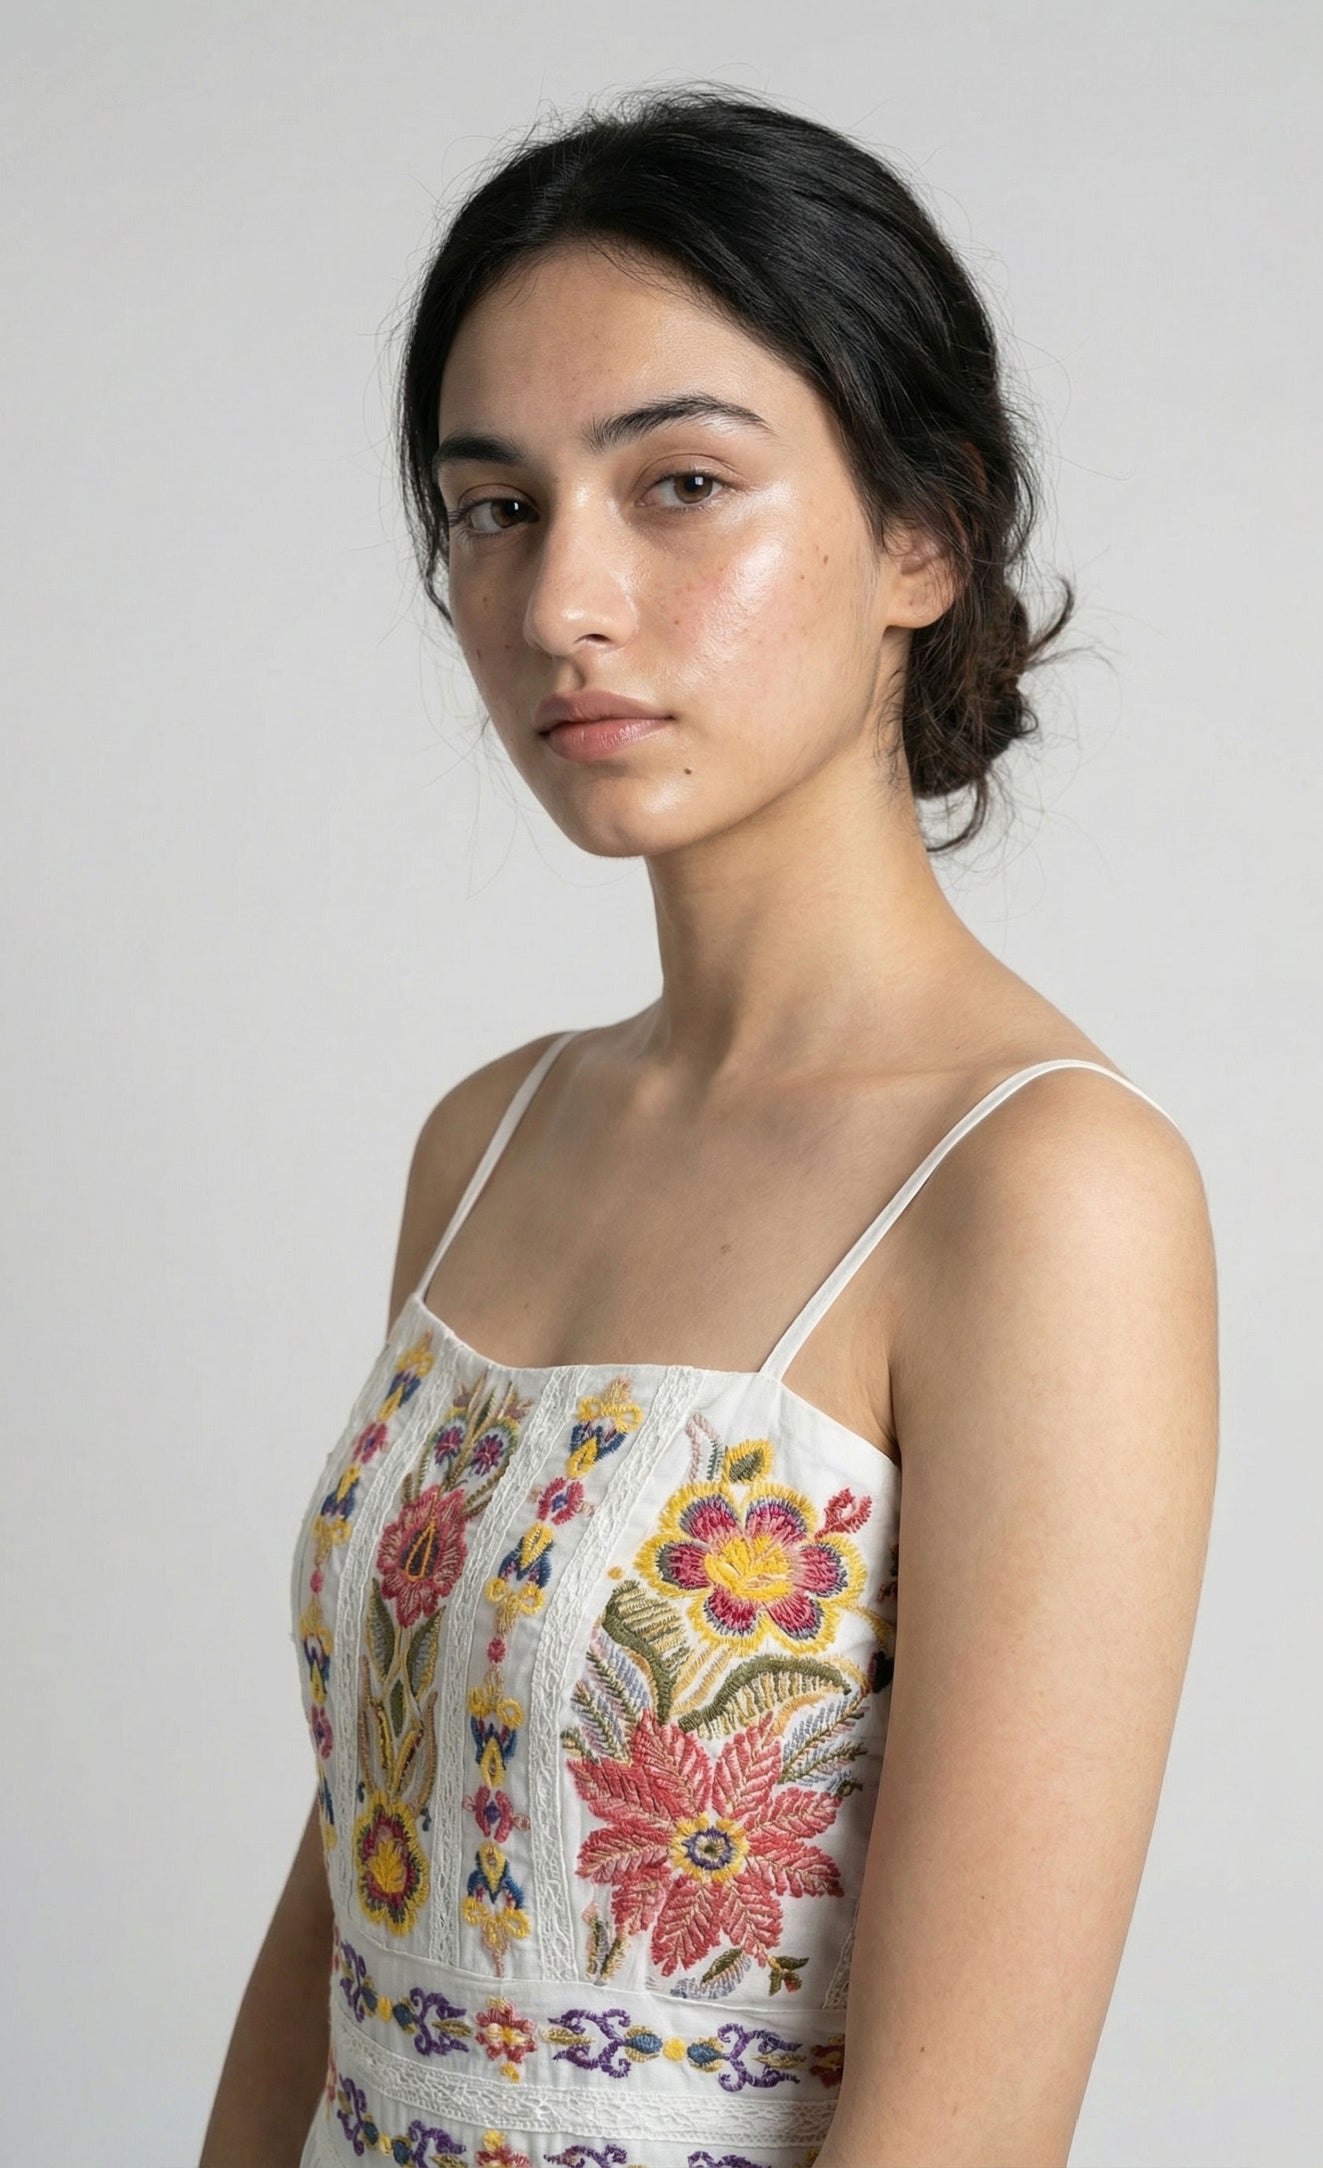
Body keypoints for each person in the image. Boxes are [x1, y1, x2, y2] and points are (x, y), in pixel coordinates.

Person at [200, 86, 1218, 2168]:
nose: (564, 599)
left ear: (921, 534)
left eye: (679, 483)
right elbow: (344, 1903)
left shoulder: (1046, 1193)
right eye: (493, 506)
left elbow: (963, 2127)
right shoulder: (489, 1135)